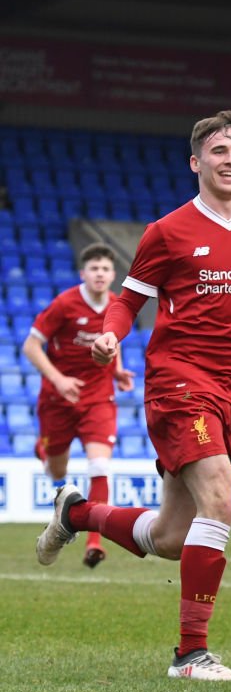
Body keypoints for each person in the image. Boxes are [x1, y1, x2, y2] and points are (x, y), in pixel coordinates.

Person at [35, 110, 231, 681]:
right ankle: (190, 655)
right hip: (178, 380)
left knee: (171, 538)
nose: (230, 160)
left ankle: (77, 512)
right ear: (196, 162)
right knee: (222, 499)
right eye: (218, 151)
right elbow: (127, 300)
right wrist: (112, 333)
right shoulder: (166, 231)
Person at [23, 243, 134, 567]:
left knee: (99, 466)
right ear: (83, 273)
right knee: (55, 469)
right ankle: (44, 453)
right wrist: (58, 379)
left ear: (113, 275)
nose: (100, 274)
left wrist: (117, 371)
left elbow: (113, 342)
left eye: (105, 269)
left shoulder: (116, 305)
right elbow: (31, 346)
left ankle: (95, 541)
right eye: (94, 268)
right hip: (58, 398)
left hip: (98, 397)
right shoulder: (65, 304)